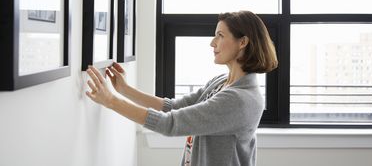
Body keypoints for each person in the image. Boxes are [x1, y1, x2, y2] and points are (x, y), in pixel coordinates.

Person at [85, 10, 278, 166]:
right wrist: (125, 90)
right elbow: (173, 107)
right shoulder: (222, 81)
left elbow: (170, 123)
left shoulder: (240, 99)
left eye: (220, 36)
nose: (212, 43)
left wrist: (111, 101)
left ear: (242, 42)